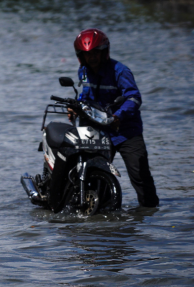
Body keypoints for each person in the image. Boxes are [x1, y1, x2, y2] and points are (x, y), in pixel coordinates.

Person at [68, 28, 159, 207]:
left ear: (104, 52)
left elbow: (134, 98)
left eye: (95, 53)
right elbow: (86, 95)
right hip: (99, 130)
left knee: (139, 176)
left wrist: (119, 116)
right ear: (81, 56)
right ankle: (102, 217)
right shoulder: (83, 71)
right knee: (93, 174)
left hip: (126, 131)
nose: (92, 58)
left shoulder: (120, 71)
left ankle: (150, 214)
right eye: (87, 55)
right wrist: (76, 107)